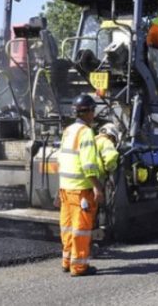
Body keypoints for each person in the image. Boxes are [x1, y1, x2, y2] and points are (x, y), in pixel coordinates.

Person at [58, 94, 103, 277]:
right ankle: (79, 267)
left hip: (65, 188)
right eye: (93, 110)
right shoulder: (86, 132)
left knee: (67, 228)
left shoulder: (68, 130)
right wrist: (97, 186)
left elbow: (62, 159)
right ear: (89, 112)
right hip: (80, 190)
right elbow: (88, 164)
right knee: (81, 229)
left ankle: (67, 261)